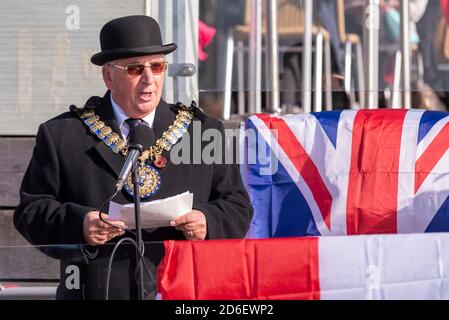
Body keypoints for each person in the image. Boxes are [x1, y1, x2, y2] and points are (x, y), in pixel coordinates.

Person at [13, 15, 254, 300]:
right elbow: (31, 211)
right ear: (108, 76)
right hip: (96, 290)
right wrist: (80, 224)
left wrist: (207, 221)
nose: (149, 79)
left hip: (184, 291)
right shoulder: (64, 136)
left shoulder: (202, 133)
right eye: (135, 69)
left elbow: (238, 205)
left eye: (157, 66)